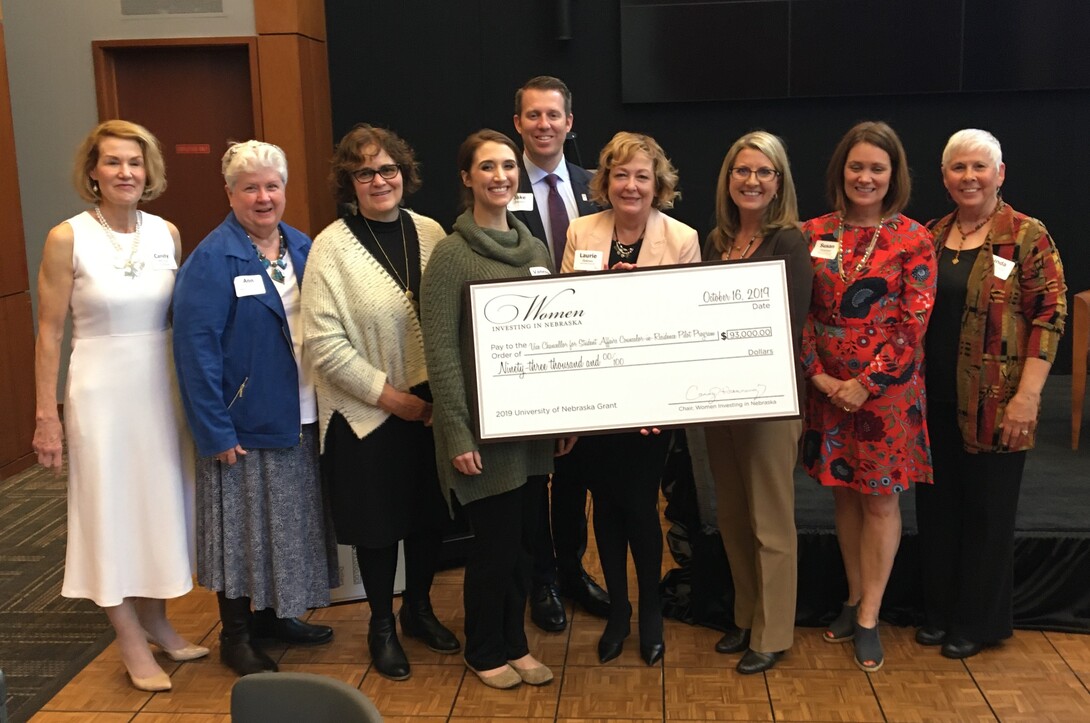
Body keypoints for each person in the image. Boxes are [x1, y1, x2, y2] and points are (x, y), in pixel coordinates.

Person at [32, 120, 206, 692]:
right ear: (93, 172)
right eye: (113, 162)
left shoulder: (168, 233)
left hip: (161, 391)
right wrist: (45, 416)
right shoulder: (68, 237)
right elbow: (50, 334)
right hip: (100, 393)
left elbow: (180, 323)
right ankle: (129, 636)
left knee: (160, 505)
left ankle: (157, 617)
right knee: (107, 510)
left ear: (148, 171)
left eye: (135, 162)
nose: (125, 172)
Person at [173, 140, 339, 678]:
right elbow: (194, 353)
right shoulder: (211, 259)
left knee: (286, 526)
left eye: (272, 186)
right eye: (250, 188)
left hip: (300, 412)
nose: (263, 197)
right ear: (230, 194)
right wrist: (214, 432)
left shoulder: (302, 247)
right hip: (241, 423)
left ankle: (273, 618)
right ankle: (237, 635)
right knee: (241, 531)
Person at [301, 124, 458, 681]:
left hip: (432, 410)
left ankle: (419, 610)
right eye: (364, 171)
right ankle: (381, 624)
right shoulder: (330, 247)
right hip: (368, 413)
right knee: (378, 527)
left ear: (404, 174)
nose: (378, 180)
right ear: (349, 181)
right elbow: (322, 344)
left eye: (387, 169)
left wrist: (435, 401)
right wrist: (392, 399)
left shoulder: (433, 232)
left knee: (426, 519)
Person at [421, 129, 574, 690]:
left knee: (524, 545)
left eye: (508, 166)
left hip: (532, 431)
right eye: (487, 167)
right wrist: (457, 433)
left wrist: (562, 419)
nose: (500, 177)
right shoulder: (450, 255)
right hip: (482, 436)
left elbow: (554, 340)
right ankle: (483, 648)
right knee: (493, 549)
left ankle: (515, 642)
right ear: (467, 178)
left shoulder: (534, 249)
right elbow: (439, 351)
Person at [915, 129, 1067, 659]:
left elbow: (1049, 318)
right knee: (936, 509)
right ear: (944, 177)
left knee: (987, 513)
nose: (969, 177)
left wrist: (1028, 398)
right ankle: (938, 612)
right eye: (958, 167)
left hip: (997, 403)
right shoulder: (931, 236)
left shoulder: (1026, 235)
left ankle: (976, 622)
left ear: (1000, 173)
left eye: (980, 167)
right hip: (931, 400)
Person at [800, 121, 936, 672]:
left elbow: (913, 322)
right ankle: (853, 596)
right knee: (844, 494)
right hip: (827, 390)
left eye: (877, 168)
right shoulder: (812, 232)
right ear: (841, 171)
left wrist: (865, 383)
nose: (865, 176)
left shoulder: (913, 237)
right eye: (856, 166)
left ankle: (869, 616)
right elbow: (800, 311)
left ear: (893, 175)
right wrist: (820, 377)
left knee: (880, 499)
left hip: (885, 397)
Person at [560, 131, 700, 666]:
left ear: (657, 184)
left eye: (642, 176)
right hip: (597, 399)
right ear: (606, 182)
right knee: (605, 509)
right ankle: (618, 612)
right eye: (621, 175)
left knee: (640, 507)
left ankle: (650, 617)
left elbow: (685, 326)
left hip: (651, 404)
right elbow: (567, 315)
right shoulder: (581, 232)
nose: (631, 185)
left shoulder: (682, 238)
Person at [700, 131, 812, 674]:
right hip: (717, 401)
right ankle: (745, 614)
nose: (751, 181)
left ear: (779, 183)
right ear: (728, 179)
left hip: (768, 402)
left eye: (764, 172)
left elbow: (784, 328)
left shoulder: (788, 242)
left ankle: (773, 632)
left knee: (771, 521)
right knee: (732, 515)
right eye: (742, 171)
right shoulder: (714, 241)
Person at [510, 75, 608, 632]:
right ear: (518, 123)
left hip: (583, 355)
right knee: (530, 479)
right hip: (525, 356)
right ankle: (541, 580)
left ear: (570, 123)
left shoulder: (596, 185)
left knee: (574, 475)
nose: (544, 125)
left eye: (554, 115)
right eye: (533, 116)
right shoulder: (498, 182)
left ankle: (572, 570)